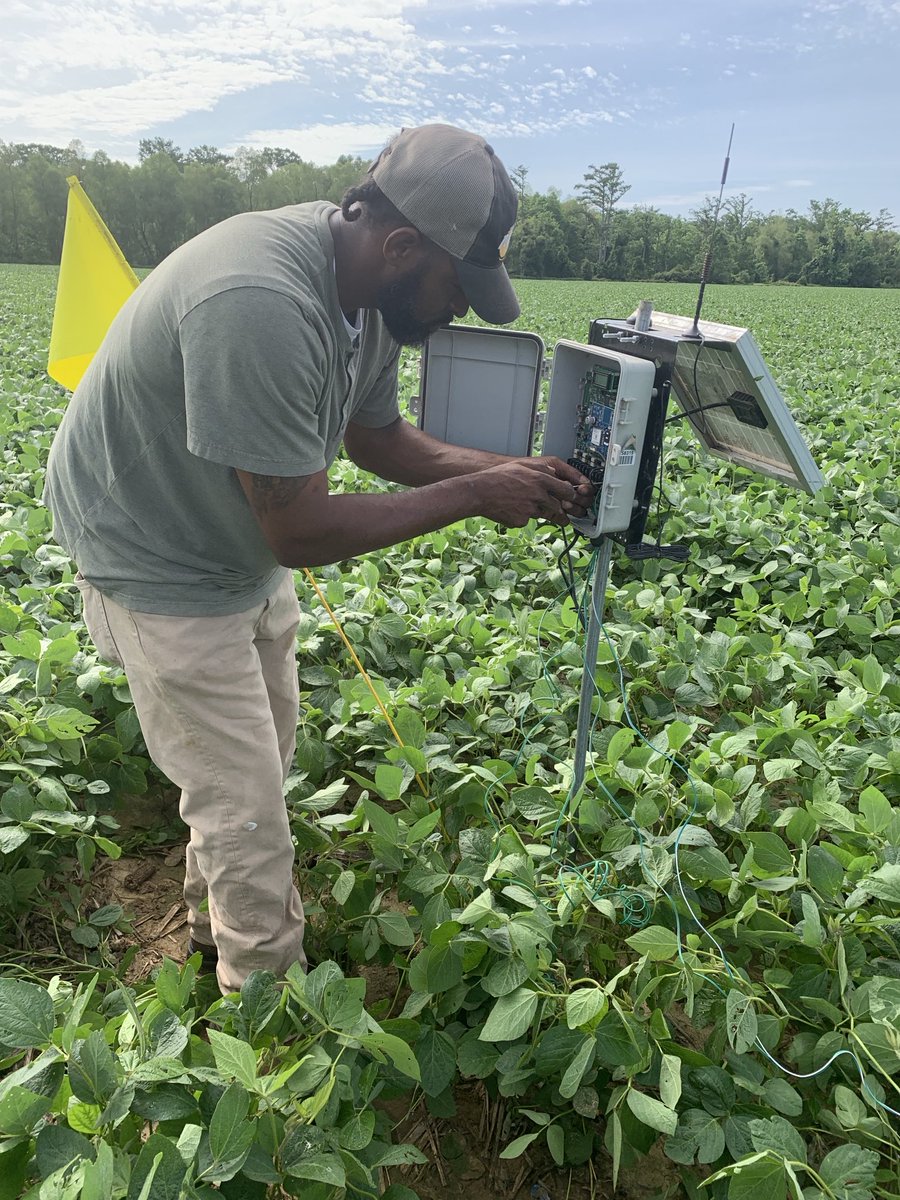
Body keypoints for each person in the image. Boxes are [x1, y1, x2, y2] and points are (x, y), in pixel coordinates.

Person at [44, 123, 593, 993]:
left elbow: (377, 438)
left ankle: (205, 931)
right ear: (401, 243)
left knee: (265, 748)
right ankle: (265, 1012)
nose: (457, 309)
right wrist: (476, 497)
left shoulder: (368, 292)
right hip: (156, 552)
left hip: (236, 545)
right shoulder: (260, 298)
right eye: (457, 286)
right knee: (245, 804)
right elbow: (300, 532)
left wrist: (509, 471)